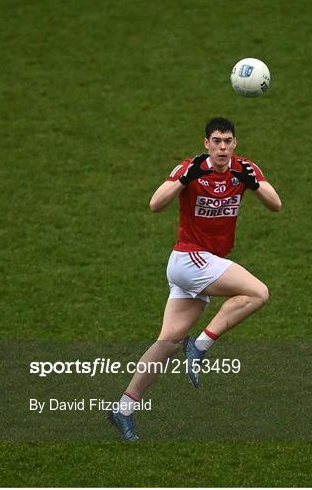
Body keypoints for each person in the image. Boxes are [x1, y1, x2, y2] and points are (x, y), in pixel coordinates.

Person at [108, 117, 282, 442]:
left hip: (201, 266)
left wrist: (254, 183)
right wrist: (185, 178)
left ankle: (123, 408)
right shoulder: (191, 168)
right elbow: (155, 204)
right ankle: (200, 346)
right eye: (216, 141)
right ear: (206, 143)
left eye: (228, 141)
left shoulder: (244, 170)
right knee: (258, 293)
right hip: (189, 259)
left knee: (168, 343)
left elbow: (276, 205)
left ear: (235, 143)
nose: (222, 147)